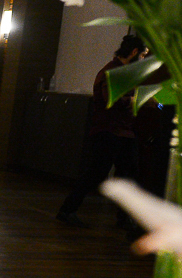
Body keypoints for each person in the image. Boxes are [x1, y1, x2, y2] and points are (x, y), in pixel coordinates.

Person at [57, 34, 146, 228]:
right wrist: (133, 100)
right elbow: (110, 99)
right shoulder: (111, 71)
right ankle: (67, 209)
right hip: (108, 130)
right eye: (140, 55)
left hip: (123, 131)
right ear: (133, 52)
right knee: (97, 172)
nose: (141, 60)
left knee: (128, 173)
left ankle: (123, 218)